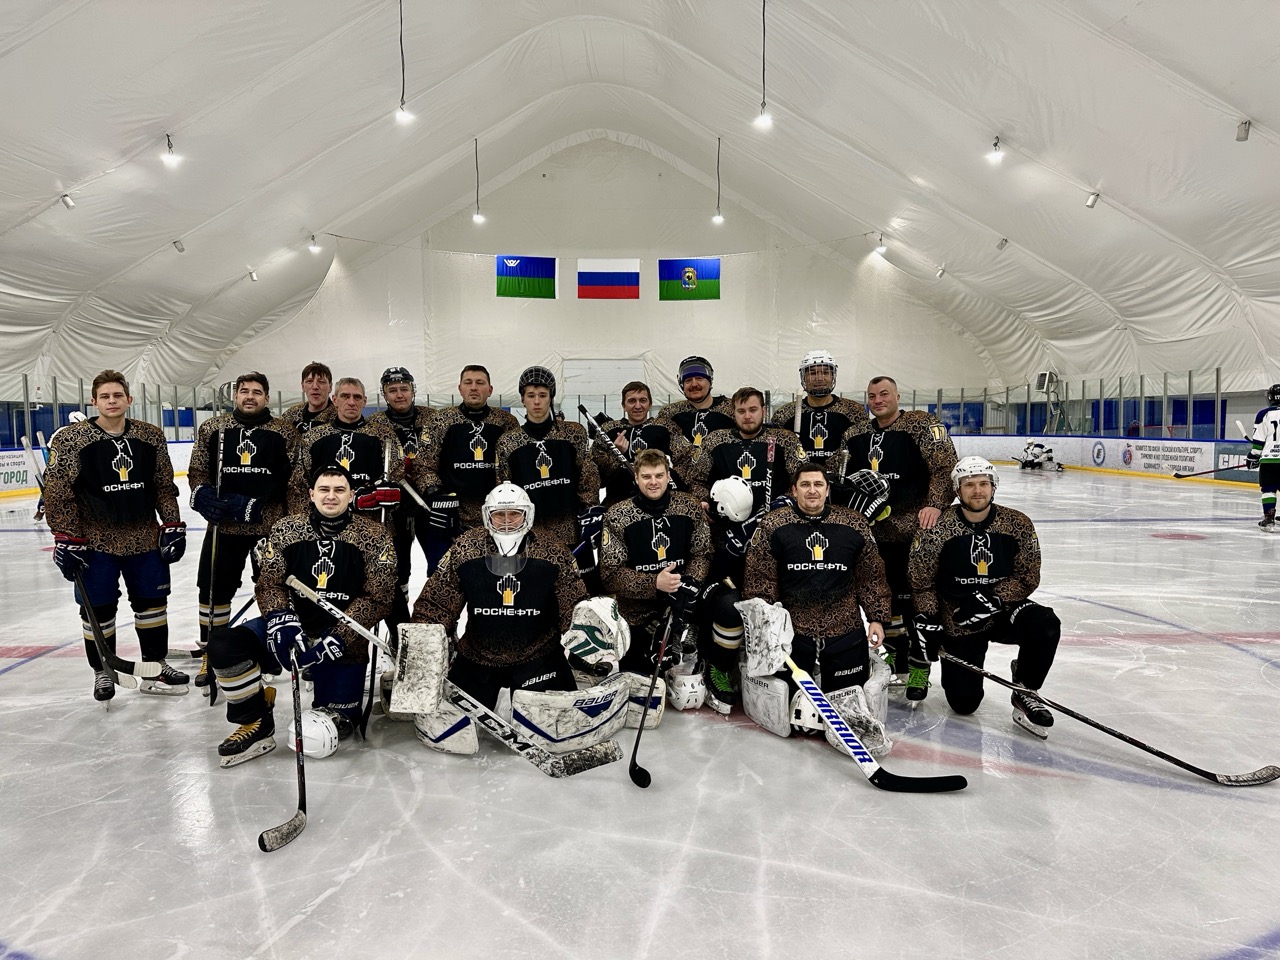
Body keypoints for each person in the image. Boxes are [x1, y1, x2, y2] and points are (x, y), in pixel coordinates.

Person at [208, 464, 397, 765]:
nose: (331, 496)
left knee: (336, 726)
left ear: (351, 495)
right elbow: (269, 583)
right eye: (324, 489)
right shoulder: (286, 529)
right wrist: (280, 618)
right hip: (295, 624)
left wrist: (340, 637)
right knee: (224, 645)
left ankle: (331, 686)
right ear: (311, 494)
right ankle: (256, 720)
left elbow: (379, 598)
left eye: (339, 490)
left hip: (343, 638)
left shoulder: (375, 535)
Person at [407, 482, 591, 751]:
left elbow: (573, 604)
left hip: (538, 658)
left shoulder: (553, 550)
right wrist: (423, 644)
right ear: (486, 516)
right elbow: (436, 603)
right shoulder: (465, 548)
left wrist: (588, 635)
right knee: (450, 720)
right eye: (498, 515)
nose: (506, 522)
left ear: (527, 514)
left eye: (514, 514)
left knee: (557, 723)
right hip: (478, 658)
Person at [42, 369, 189, 701]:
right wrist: (67, 538)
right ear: (94, 401)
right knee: (98, 610)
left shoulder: (150, 436)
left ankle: (156, 664)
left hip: (144, 537)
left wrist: (171, 525)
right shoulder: (72, 439)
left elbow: (164, 487)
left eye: (117, 395)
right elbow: (58, 493)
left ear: (129, 399)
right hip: (95, 542)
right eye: (105, 396)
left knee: (153, 605)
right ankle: (102, 671)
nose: (112, 401)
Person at [741, 463, 893, 751]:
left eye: (818, 484)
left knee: (847, 700)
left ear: (827, 489)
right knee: (796, 714)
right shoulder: (773, 525)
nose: (812, 490)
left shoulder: (853, 524)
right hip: (794, 632)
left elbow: (871, 575)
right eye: (805, 485)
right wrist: (767, 625)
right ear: (794, 490)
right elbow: (760, 578)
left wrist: (876, 617)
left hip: (844, 628)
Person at [909, 456, 1061, 738]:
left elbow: (1028, 575)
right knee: (964, 704)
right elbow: (921, 582)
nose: (977, 490)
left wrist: (993, 598)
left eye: (983, 483)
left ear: (993, 487)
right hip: (959, 619)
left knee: (1045, 623)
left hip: (1003, 610)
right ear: (957, 490)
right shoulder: (938, 527)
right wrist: (930, 617)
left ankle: (1025, 688)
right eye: (969, 485)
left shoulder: (1017, 522)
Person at [838, 375, 957, 702]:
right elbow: (841, 479)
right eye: (872, 396)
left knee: (918, 600)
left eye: (884, 394)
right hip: (874, 536)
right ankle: (894, 655)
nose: (878, 400)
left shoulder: (922, 425)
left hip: (915, 535)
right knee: (884, 599)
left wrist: (935, 503)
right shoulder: (855, 434)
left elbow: (944, 468)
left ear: (897, 396)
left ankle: (920, 664)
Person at [187, 371, 297, 693]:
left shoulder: (284, 432)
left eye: (257, 392)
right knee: (213, 590)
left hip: (269, 528)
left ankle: (269, 648)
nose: (250, 396)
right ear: (235, 396)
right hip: (224, 527)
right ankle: (211, 652)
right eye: (244, 391)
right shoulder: (214, 428)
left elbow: (295, 480)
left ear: (267, 397)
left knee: (272, 588)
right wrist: (203, 495)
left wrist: (263, 509)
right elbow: (198, 470)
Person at [599, 448, 718, 699]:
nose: (653, 482)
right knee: (638, 689)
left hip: (682, 604)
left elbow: (703, 552)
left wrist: (688, 582)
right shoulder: (617, 515)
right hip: (637, 613)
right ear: (636, 478)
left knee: (723, 605)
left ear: (668, 476)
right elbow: (610, 574)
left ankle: (708, 664)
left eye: (659, 475)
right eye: (646, 476)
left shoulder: (689, 506)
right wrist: (654, 582)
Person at [496, 366, 601, 583]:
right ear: (522, 399)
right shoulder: (508, 442)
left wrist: (589, 511)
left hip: (572, 533)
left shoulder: (573, 434)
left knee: (583, 591)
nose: (537, 401)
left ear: (551, 398)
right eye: (531, 395)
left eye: (542, 395)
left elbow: (587, 476)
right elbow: (504, 488)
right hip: (531, 538)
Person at [413, 364, 519, 560]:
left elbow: (516, 466)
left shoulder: (506, 422)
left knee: (496, 571)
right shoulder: (441, 420)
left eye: (480, 383)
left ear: (490, 390)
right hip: (450, 517)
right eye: (468, 382)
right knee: (445, 572)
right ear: (460, 388)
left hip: (496, 516)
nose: (474, 387)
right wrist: (435, 493)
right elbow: (423, 464)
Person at [367, 367, 436, 625]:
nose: (399, 394)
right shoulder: (375, 424)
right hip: (394, 507)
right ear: (384, 394)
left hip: (429, 503)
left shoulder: (433, 418)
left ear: (413, 390)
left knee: (439, 565)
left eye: (404, 389)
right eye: (392, 390)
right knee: (398, 569)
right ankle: (400, 626)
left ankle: (436, 621)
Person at [290, 377, 404, 523]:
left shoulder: (383, 435)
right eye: (345, 396)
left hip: (370, 523)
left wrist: (388, 492)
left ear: (364, 401)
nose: (351, 402)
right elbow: (299, 484)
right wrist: (306, 522)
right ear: (335, 400)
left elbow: (397, 476)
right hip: (325, 522)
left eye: (357, 397)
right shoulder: (313, 437)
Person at [592, 381, 694, 506]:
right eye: (632, 401)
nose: (638, 406)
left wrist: (671, 480)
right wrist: (615, 455)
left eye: (643, 400)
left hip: (661, 501)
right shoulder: (608, 430)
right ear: (623, 405)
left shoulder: (665, 428)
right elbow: (596, 474)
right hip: (619, 501)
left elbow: (686, 459)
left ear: (650, 404)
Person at [770, 350, 868, 470]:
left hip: (842, 481)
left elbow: (862, 451)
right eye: (812, 373)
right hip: (799, 481)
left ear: (833, 376)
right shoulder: (784, 414)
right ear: (803, 377)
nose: (819, 378)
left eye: (825, 372)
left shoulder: (854, 411)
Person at [655, 355, 736, 451]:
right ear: (682, 385)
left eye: (699, 378)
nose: (694, 384)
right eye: (688, 380)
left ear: (710, 381)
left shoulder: (732, 409)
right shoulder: (669, 414)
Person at [1246, 384, 1280, 530]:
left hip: (1269, 459)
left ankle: (1269, 519)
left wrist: (1253, 456)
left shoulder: (1263, 414)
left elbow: (1259, 441)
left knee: (1269, 489)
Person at [279, 361, 336, 438]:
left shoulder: (339, 417)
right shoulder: (290, 416)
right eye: (309, 381)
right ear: (303, 386)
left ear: (330, 387)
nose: (315, 387)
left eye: (321, 382)